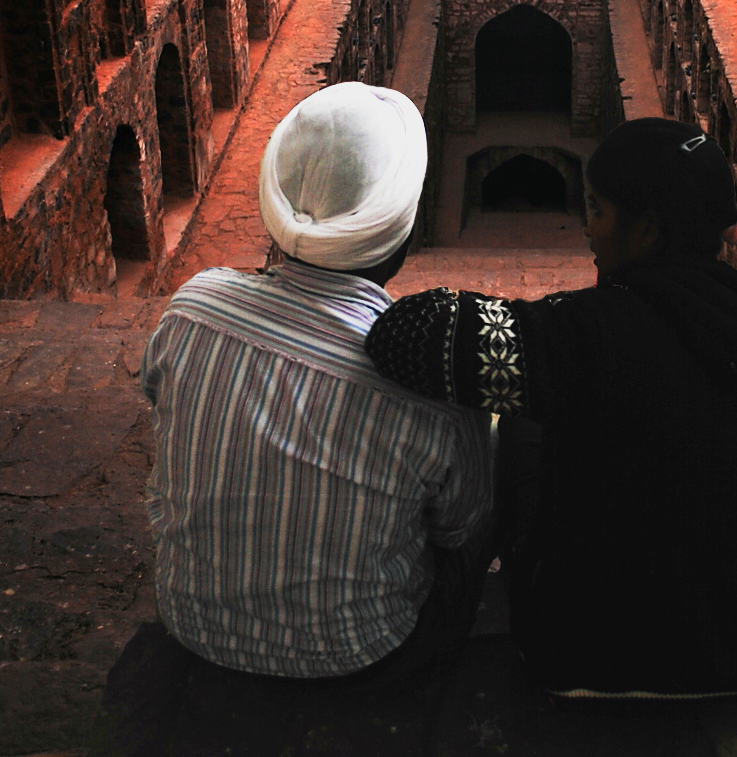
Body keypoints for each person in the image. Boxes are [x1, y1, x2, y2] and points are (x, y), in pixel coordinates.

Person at [365, 117, 737, 699]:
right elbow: (694, 328)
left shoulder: (574, 338)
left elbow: (400, 334)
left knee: (516, 422)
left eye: (597, 211)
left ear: (645, 233)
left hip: (591, 653)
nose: (588, 229)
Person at [137, 82, 494, 688]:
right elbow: (458, 525)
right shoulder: (428, 382)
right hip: (360, 651)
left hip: (191, 623)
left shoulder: (192, 308)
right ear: (402, 232)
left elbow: (158, 395)